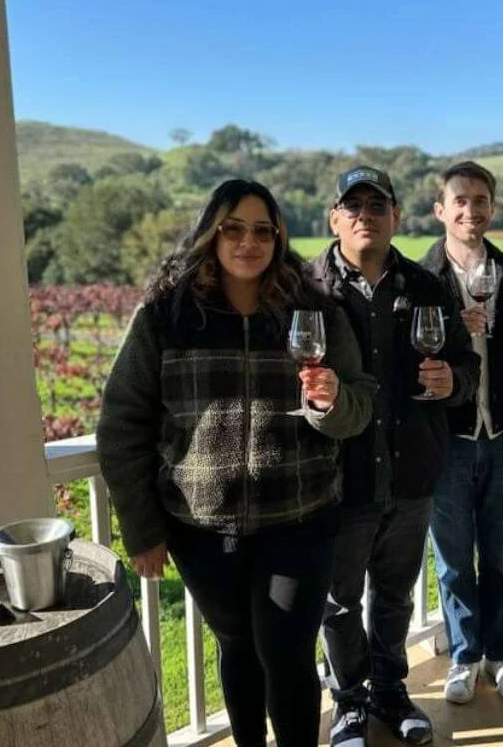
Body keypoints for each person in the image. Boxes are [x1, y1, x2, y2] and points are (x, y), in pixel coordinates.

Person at [97, 179, 374, 747]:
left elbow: (360, 407)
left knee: (289, 652)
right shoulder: (167, 316)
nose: (249, 242)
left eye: (262, 230)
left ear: (279, 237)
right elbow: (122, 423)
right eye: (234, 228)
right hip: (202, 528)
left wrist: (332, 401)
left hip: (301, 516)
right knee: (239, 648)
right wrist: (143, 527)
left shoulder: (314, 310)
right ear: (211, 233)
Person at [313, 166, 479, 747]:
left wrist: (450, 382)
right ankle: (350, 703)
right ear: (334, 218)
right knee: (337, 602)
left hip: (411, 473)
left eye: (376, 205)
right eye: (351, 205)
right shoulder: (312, 290)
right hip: (339, 480)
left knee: (394, 594)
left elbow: (467, 367)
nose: (364, 214)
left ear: (395, 217)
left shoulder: (427, 285)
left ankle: (389, 690)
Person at [419, 161, 503, 705]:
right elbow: (410, 353)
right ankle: (464, 657)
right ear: (441, 210)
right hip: (447, 438)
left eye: (481, 201)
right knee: (451, 557)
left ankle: (501, 655)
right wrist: (456, 326)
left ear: (492, 209)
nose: (471, 210)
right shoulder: (422, 277)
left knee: (501, 554)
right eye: (461, 200)